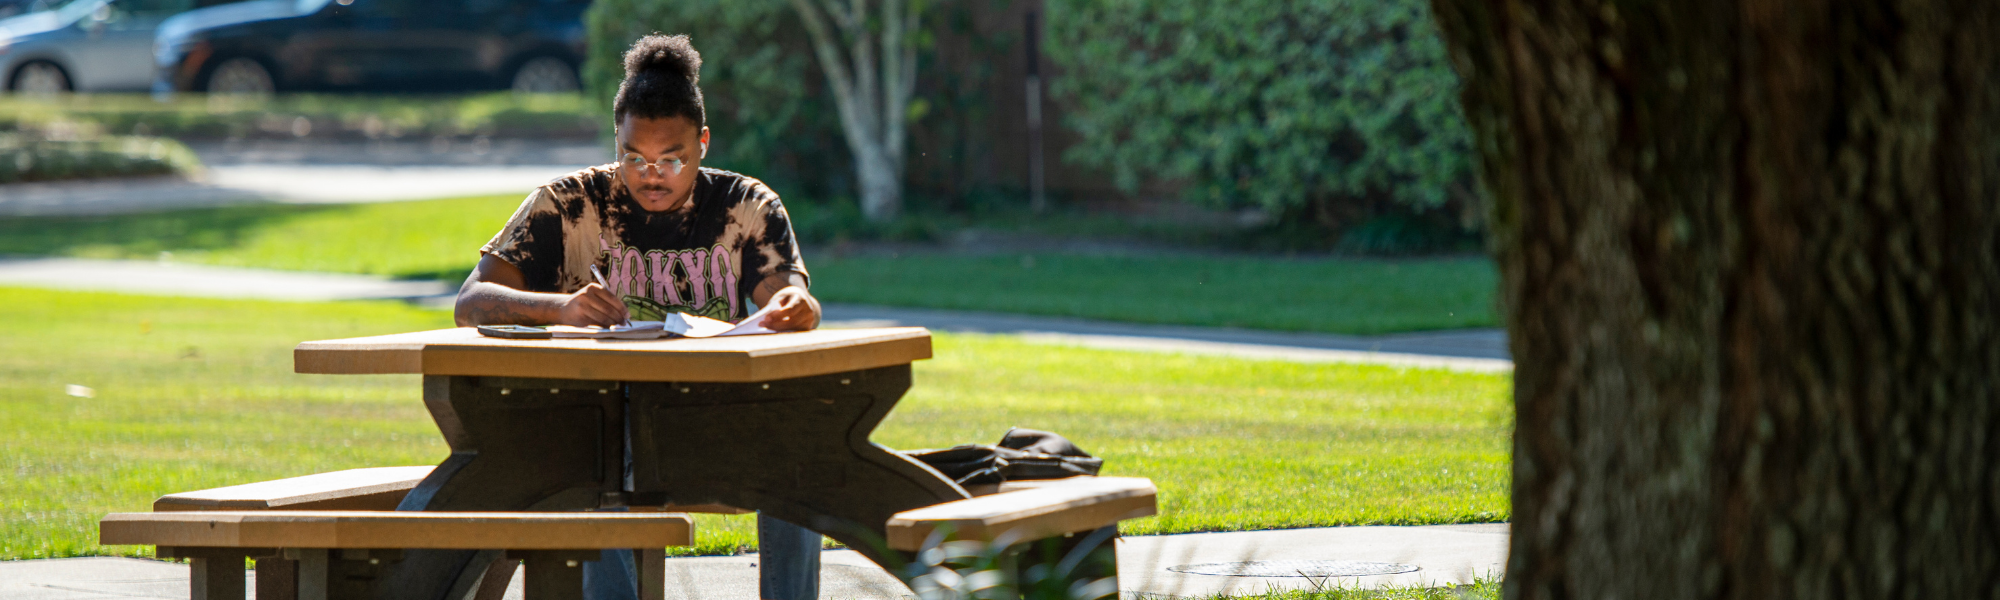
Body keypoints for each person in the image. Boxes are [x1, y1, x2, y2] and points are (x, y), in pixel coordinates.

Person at [454, 34, 825, 600]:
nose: (653, 174)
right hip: (598, 418)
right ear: (617, 142)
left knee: (802, 456)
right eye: (635, 157)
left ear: (702, 142)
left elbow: (785, 300)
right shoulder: (568, 203)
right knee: (592, 459)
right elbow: (471, 303)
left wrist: (796, 306)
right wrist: (562, 307)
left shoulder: (746, 205)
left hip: (709, 416)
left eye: (672, 157)